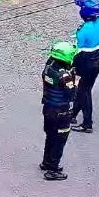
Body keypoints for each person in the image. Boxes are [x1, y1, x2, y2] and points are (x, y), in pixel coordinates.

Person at [71, 0, 99, 134]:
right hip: (97, 61)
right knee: (84, 89)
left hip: (85, 62)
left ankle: (87, 124)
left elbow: (78, 49)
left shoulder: (83, 31)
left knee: (84, 92)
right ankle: (72, 115)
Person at [41, 41, 78, 181]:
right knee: (60, 140)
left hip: (48, 109)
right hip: (60, 113)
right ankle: (53, 169)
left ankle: (46, 162)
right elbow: (72, 95)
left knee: (50, 136)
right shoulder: (65, 77)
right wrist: (75, 82)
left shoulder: (49, 66)